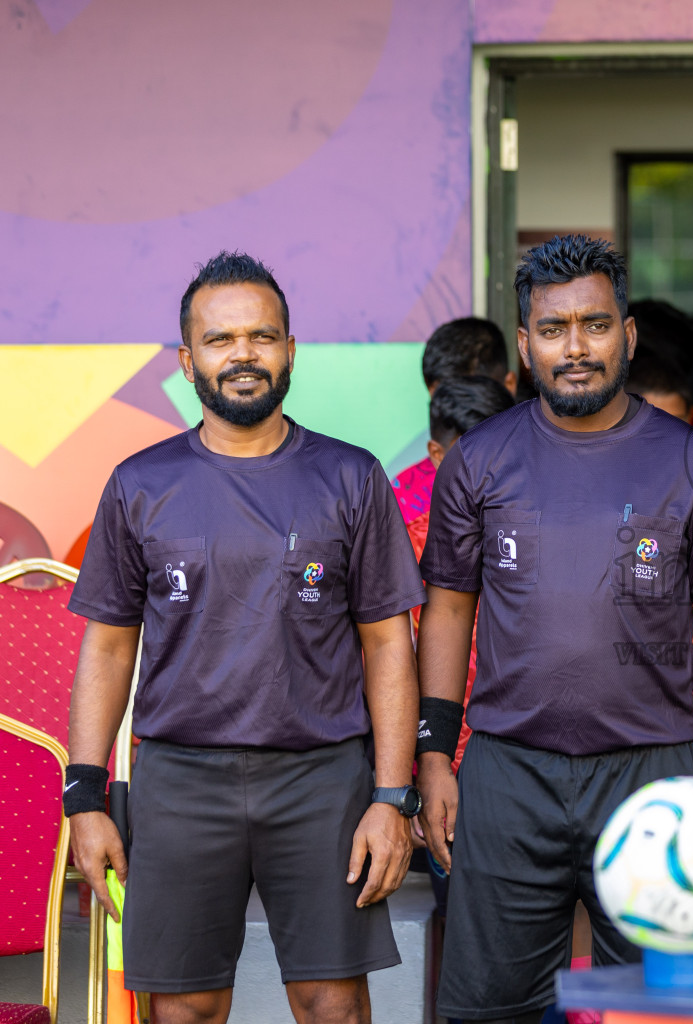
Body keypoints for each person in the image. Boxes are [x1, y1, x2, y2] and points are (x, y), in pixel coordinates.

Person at [64, 252, 425, 1024]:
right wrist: (85, 796)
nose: (244, 356)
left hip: (323, 779)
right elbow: (107, 646)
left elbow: (389, 645)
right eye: (222, 340)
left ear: (291, 350)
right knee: (184, 1007)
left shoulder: (351, 478)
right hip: (180, 780)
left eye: (263, 337)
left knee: (333, 1002)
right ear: (189, 358)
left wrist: (392, 798)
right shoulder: (139, 484)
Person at [414, 235, 693, 1023]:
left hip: (652, 778)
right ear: (526, 344)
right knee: (488, 1009)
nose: (576, 348)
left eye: (596, 326)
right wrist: (435, 757)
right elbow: (450, 610)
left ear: (627, 336)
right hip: (506, 773)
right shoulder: (479, 461)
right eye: (555, 329)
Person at [395, 318, 516, 523]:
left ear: (509, 385)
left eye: (470, 397)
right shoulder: (403, 506)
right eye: (440, 400)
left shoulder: (547, 472)